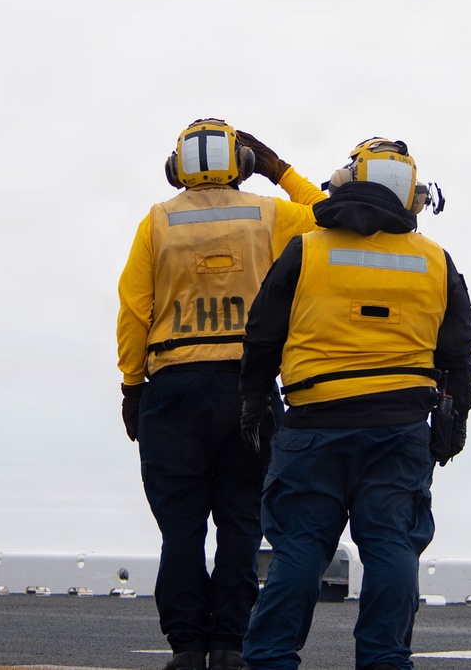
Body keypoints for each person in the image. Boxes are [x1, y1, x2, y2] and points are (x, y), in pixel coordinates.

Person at [239, 138, 471, 670]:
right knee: (392, 547)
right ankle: (384, 661)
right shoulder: (435, 261)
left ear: (348, 182)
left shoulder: (306, 249)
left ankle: (271, 660)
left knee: (299, 550)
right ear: (412, 197)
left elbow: (261, 336)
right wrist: (455, 416)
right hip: (399, 429)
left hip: (313, 426)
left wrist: (254, 401)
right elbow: (458, 352)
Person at [117, 119, 325, 670]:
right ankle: (231, 644)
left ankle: (186, 647)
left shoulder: (156, 222)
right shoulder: (269, 215)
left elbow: (134, 312)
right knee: (241, 522)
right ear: (243, 163)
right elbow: (326, 212)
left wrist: (131, 386)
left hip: (173, 391)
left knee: (180, 526)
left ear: (175, 167)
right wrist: (280, 169)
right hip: (248, 390)